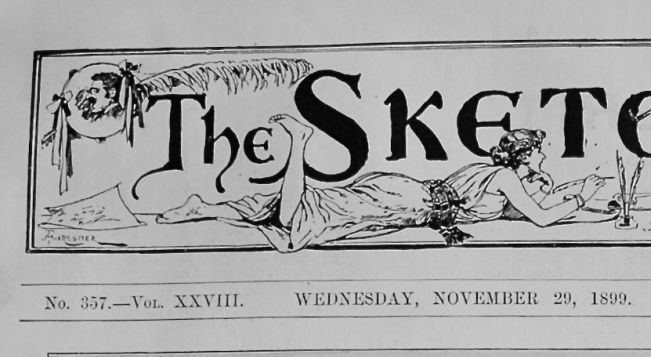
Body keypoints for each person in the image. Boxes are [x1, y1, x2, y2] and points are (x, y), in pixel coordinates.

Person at [157, 119, 613, 249]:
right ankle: (298, 143)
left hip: (404, 190)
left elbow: (526, 206)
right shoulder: (508, 179)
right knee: (302, 222)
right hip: (406, 204)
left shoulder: (493, 174)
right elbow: (541, 218)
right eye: (540, 156)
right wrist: (580, 193)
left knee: (305, 208)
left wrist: (591, 206)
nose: (542, 165)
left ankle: (206, 208)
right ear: (527, 156)